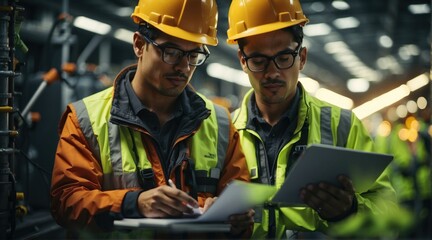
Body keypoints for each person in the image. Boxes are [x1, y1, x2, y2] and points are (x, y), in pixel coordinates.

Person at [50, 0, 253, 238]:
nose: (184, 67)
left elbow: (241, 203)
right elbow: (66, 202)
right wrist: (133, 204)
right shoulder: (86, 119)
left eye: (194, 54)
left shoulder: (219, 123)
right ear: (139, 44)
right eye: (172, 52)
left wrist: (235, 216)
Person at [226, 0, 398, 238]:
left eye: (284, 57)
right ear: (243, 61)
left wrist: (350, 211)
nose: (273, 72)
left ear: (302, 58)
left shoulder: (343, 126)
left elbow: (388, 212)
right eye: (258, 60)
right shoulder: (225, 132)